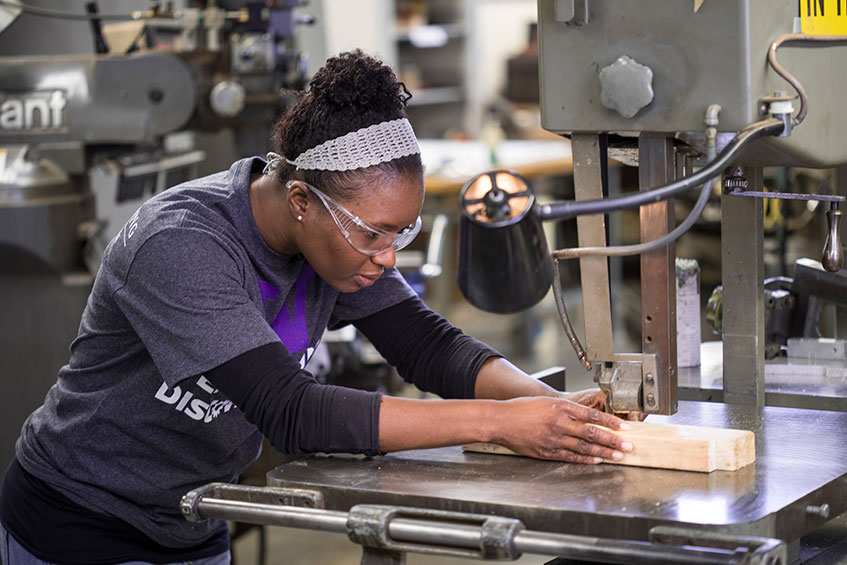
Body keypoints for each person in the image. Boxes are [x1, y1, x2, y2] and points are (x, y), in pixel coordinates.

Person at [0, 50, 633, 564]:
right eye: (375, 233)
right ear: (301, 199)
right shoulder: (183, 245)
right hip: (78, 521)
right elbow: (293, 412)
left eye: (402, 234)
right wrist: (500, 423)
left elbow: (427, 344)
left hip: (196, 519)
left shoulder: (341, 241)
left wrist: (546, 407)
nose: (387, 257)